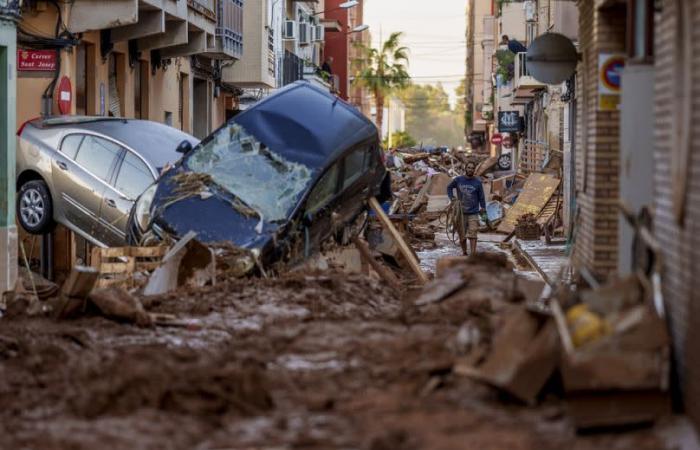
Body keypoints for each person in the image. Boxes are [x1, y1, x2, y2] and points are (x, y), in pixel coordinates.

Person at [447, 162, 486, 256]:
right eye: (469, 167)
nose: (470, 169)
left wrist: (484, 210)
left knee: (473, 233)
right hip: (461, 212)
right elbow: (449, 187)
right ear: (465, 168)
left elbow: (481, 197)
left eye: (472, 168)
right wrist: (452, 198)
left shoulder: (477, 182)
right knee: (462, 235)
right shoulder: (458, 180)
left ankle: (473, 255)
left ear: (474, 170)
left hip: (473, 212)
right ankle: (464, 252)